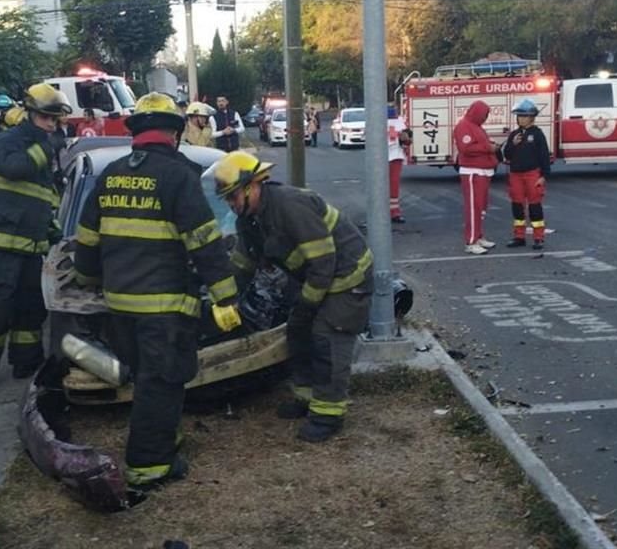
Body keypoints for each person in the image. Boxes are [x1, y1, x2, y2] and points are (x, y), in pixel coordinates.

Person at [73, 92, 242, 490]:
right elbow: (204, 242)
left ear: (136, 132)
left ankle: (164, 437)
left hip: (119, 305)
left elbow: (87, 239)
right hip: (163, 306)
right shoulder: (178, 177)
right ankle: (149, 464)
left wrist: (88, 278)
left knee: (148, 379)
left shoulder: (112, 174)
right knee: (161, 381)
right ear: (174, 134)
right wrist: (226, 297)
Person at [215, 151, 374, 443]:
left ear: (252, 186)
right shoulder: (250, 220)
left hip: (347, 278)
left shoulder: (290, 205)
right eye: (227, 199)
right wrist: (222, 295)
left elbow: (323, 263)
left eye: (233, 196)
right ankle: (307, 397)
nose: (231, 204)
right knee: (298, 335)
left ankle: (328, 415)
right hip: (316, 278)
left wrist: (307, 305)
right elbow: (243, 263)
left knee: (326, 339)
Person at [0, 83, 71, 397]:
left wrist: (52, 227)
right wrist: (46, 148)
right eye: (46, 118)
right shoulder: (3, 142)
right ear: (29, 114)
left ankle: (26, 361)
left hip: (28, 248)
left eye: (55, 120)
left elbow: (41, 196)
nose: (51, 125)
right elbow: (14, 168)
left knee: (30, 309)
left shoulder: (39, 150)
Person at [502, 98, 550, 250]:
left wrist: (544, 176)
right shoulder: (514, 135)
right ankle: (519, 237)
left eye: (523, 116)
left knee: (534, 207)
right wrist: (513, 144)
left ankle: (538, 238)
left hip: (532, 174)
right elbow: (507, 155)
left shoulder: (537, 134)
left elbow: (544, 156)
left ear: (531, 117)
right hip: (515, 175)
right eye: (519, 116)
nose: (520, 119)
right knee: (517, 206)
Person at [453, 100, 499, 255]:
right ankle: (471, 241)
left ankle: (478, 236)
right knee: (474, 208)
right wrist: (489, 148)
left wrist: (490, 146)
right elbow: (466, 148)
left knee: (481, 207)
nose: (485, 118)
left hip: (483, 171)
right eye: (485, 114)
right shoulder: (464, 126)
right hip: (473, 172)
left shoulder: (476, 126)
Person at [387, 106, 407, 224]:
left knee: (383, 186)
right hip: (395, 156)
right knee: (393, 187)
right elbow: (407, 142)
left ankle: (390, 212)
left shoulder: (376, 123)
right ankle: (394, 212)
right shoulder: (400, 123)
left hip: (386, 157)